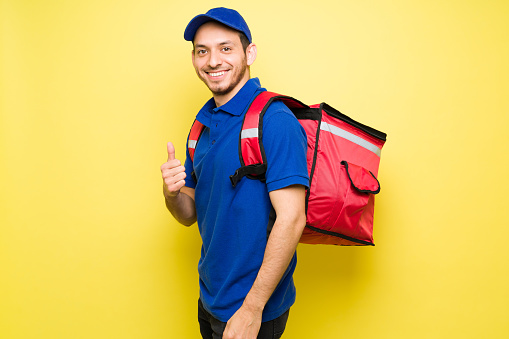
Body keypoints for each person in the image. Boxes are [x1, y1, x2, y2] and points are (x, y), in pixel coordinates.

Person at [160, 7, 309, 339]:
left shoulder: (275, 120)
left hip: (252, 310)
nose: (213, 61)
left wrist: (252, 310)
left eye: (225, 48)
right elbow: (189, 215)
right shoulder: (201, 125)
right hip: (210, 299)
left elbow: (293, 218)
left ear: (249, 53)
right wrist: (172, 194)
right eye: (202, 51)